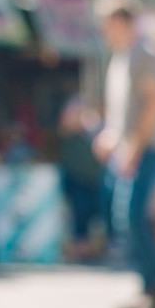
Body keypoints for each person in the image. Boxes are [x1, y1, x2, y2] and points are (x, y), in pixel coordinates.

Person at [94, 0, 155, 308]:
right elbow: (123, 113)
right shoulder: (121, 56)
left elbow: (154, 104)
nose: (102, 30)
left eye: (105, 23)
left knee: (130, 216)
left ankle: (152, 285)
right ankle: (151, 285)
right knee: (126, 217)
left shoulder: (145, 52)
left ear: (119, 21)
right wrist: (111, 137)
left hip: (145, 148)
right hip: (129, 149)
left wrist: (134, 148)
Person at [55, 98, 105, 258]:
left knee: (100, 217)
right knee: (79, 217)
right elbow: (65, 127)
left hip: (97, 178)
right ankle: (79, 248)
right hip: (77, 178)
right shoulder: (75, 111)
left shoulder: (99, 120)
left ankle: (95, 248)